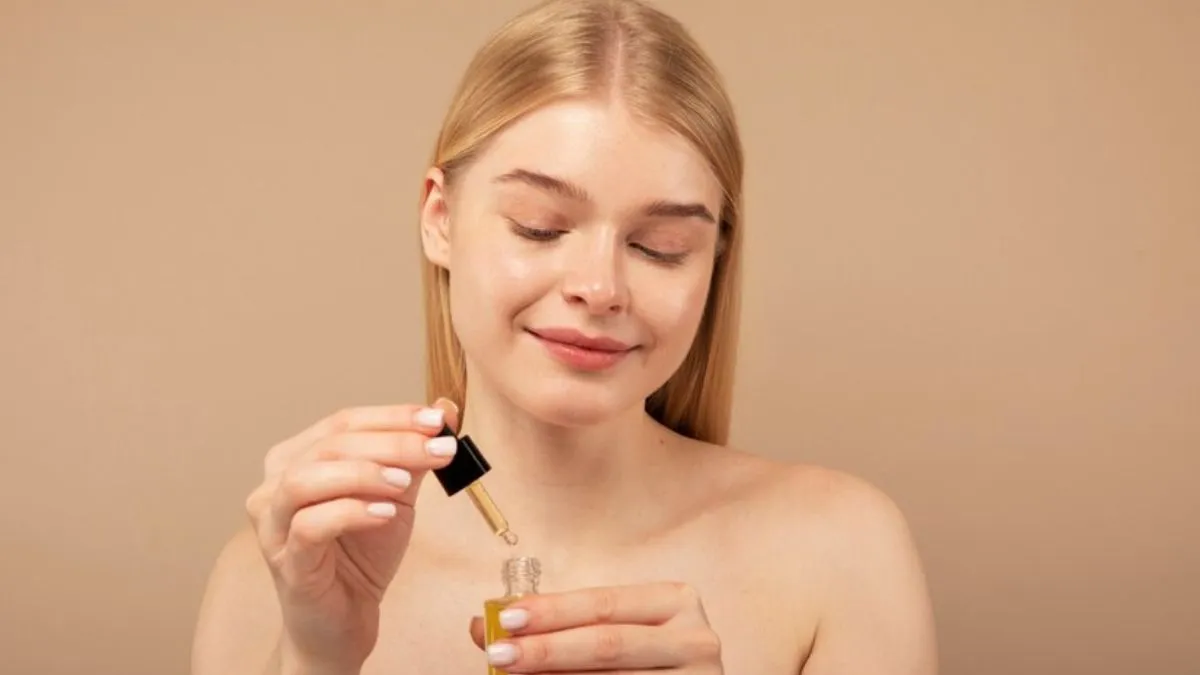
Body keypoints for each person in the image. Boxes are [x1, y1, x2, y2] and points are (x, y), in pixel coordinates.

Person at [191, 0, 938, 673]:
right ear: (440, 219)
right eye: (539, 227)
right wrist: (315, 661)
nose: (600, 287)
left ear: (713, 260)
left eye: (660, 247)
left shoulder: (841, 550)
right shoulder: (284, 581)